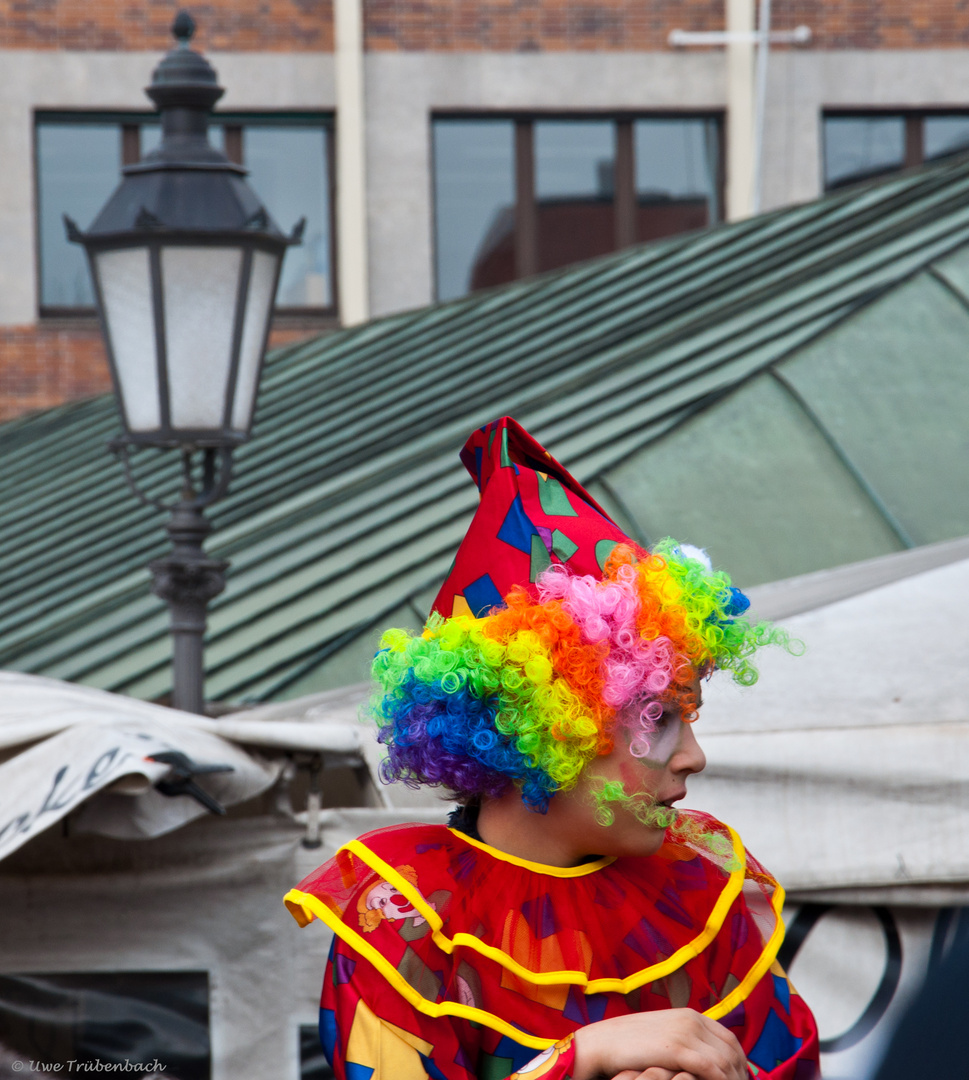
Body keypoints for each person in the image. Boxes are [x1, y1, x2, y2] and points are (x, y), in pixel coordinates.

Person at [285, 417, 820, 1080]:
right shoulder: (405, 917)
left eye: (687, 718)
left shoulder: (701, 891)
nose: (692, 757)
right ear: (539, 733)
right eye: (654, 720)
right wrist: (579, 1063)